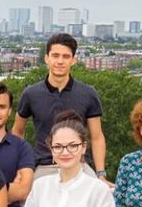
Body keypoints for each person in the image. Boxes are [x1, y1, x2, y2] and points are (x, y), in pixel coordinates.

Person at [12, 33, 107, 178]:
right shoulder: (31, 94)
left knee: (98, 194)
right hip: (44, 166)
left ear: (73, 60)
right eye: (55, 56)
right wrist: (20, 167)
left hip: (79, 165)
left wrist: (101, 174)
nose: (60, 61)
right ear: (46, 58)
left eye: (66, 56)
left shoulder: (88, 94)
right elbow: (18, 132)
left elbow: (97, 137)